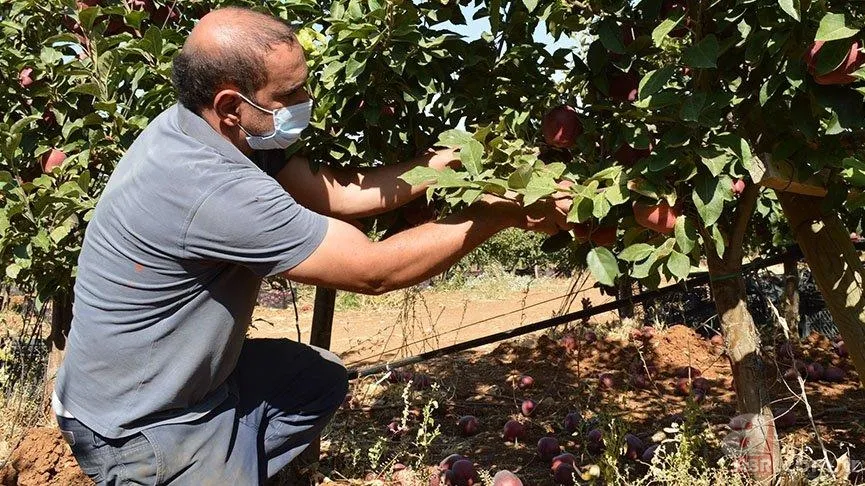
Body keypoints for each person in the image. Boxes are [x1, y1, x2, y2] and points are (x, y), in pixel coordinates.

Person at [52, 6, 573, 485]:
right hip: (139, 423)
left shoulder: (205, 130)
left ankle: (230, 464)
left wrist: (440, 166)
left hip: (171, 382)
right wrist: (500, 212)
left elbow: (338, 195)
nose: (305, 104)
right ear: (232, 104)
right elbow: (373, 270)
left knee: (313, 380)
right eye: (290, 95)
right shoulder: (211, 186)